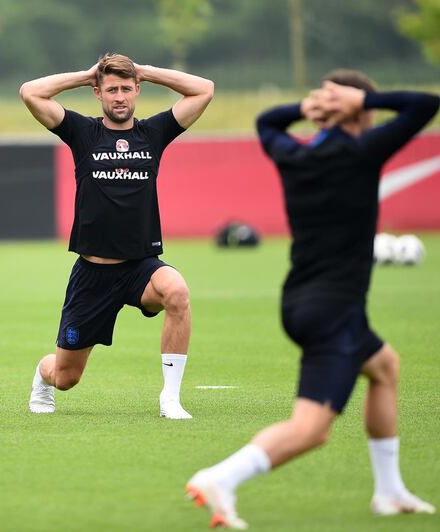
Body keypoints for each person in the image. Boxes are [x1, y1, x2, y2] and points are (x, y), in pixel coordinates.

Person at [186, 71, 438, 529]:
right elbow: (424, 105)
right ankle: (220, 478)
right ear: (361, 112)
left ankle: (390, 491)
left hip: (301, 301)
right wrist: (362, 99)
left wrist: (306, 110)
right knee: (311, 430)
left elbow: (266, 123)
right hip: (334, 311)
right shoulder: (363, 153)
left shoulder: (294, 154)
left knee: (384, 367)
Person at [19, 53, 214, 418]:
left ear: (137, 89)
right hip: (93, 274)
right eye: (111, 90)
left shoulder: (152, 133)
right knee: (66, 377)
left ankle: (170, 398)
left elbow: (204, 90)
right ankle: (42, 375)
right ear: (98, 93)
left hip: (140, 268)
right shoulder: (83, 132)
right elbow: (31, 92)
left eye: (127, 88)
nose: (120, 96)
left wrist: (147, 71)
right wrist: (85, 74)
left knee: (176, 291)